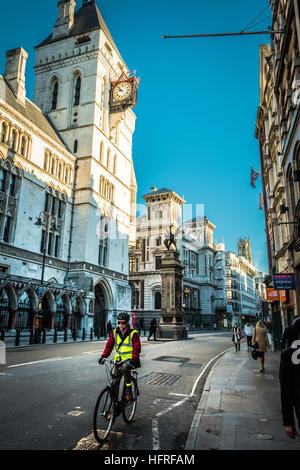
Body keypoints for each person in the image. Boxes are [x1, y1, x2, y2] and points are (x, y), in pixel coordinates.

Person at [98, 312, 141, 403]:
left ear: (127, 323)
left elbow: (136, 347)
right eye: (119, 322)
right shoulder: (114, 332)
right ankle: (114, 408)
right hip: (119, 360)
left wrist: (134, 358)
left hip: (130, 360)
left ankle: (129, 390)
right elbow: (109, 346)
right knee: (115, 383)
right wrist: (103, 356)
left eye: (123, 323)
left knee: (125, 368)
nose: (121, 325)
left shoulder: (133, 333)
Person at [279, 316, 300, 439]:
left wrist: (288, 422)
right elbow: (286, 391)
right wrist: (288, 421)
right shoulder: (289, 355)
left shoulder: (288, 355)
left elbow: (286, 391)